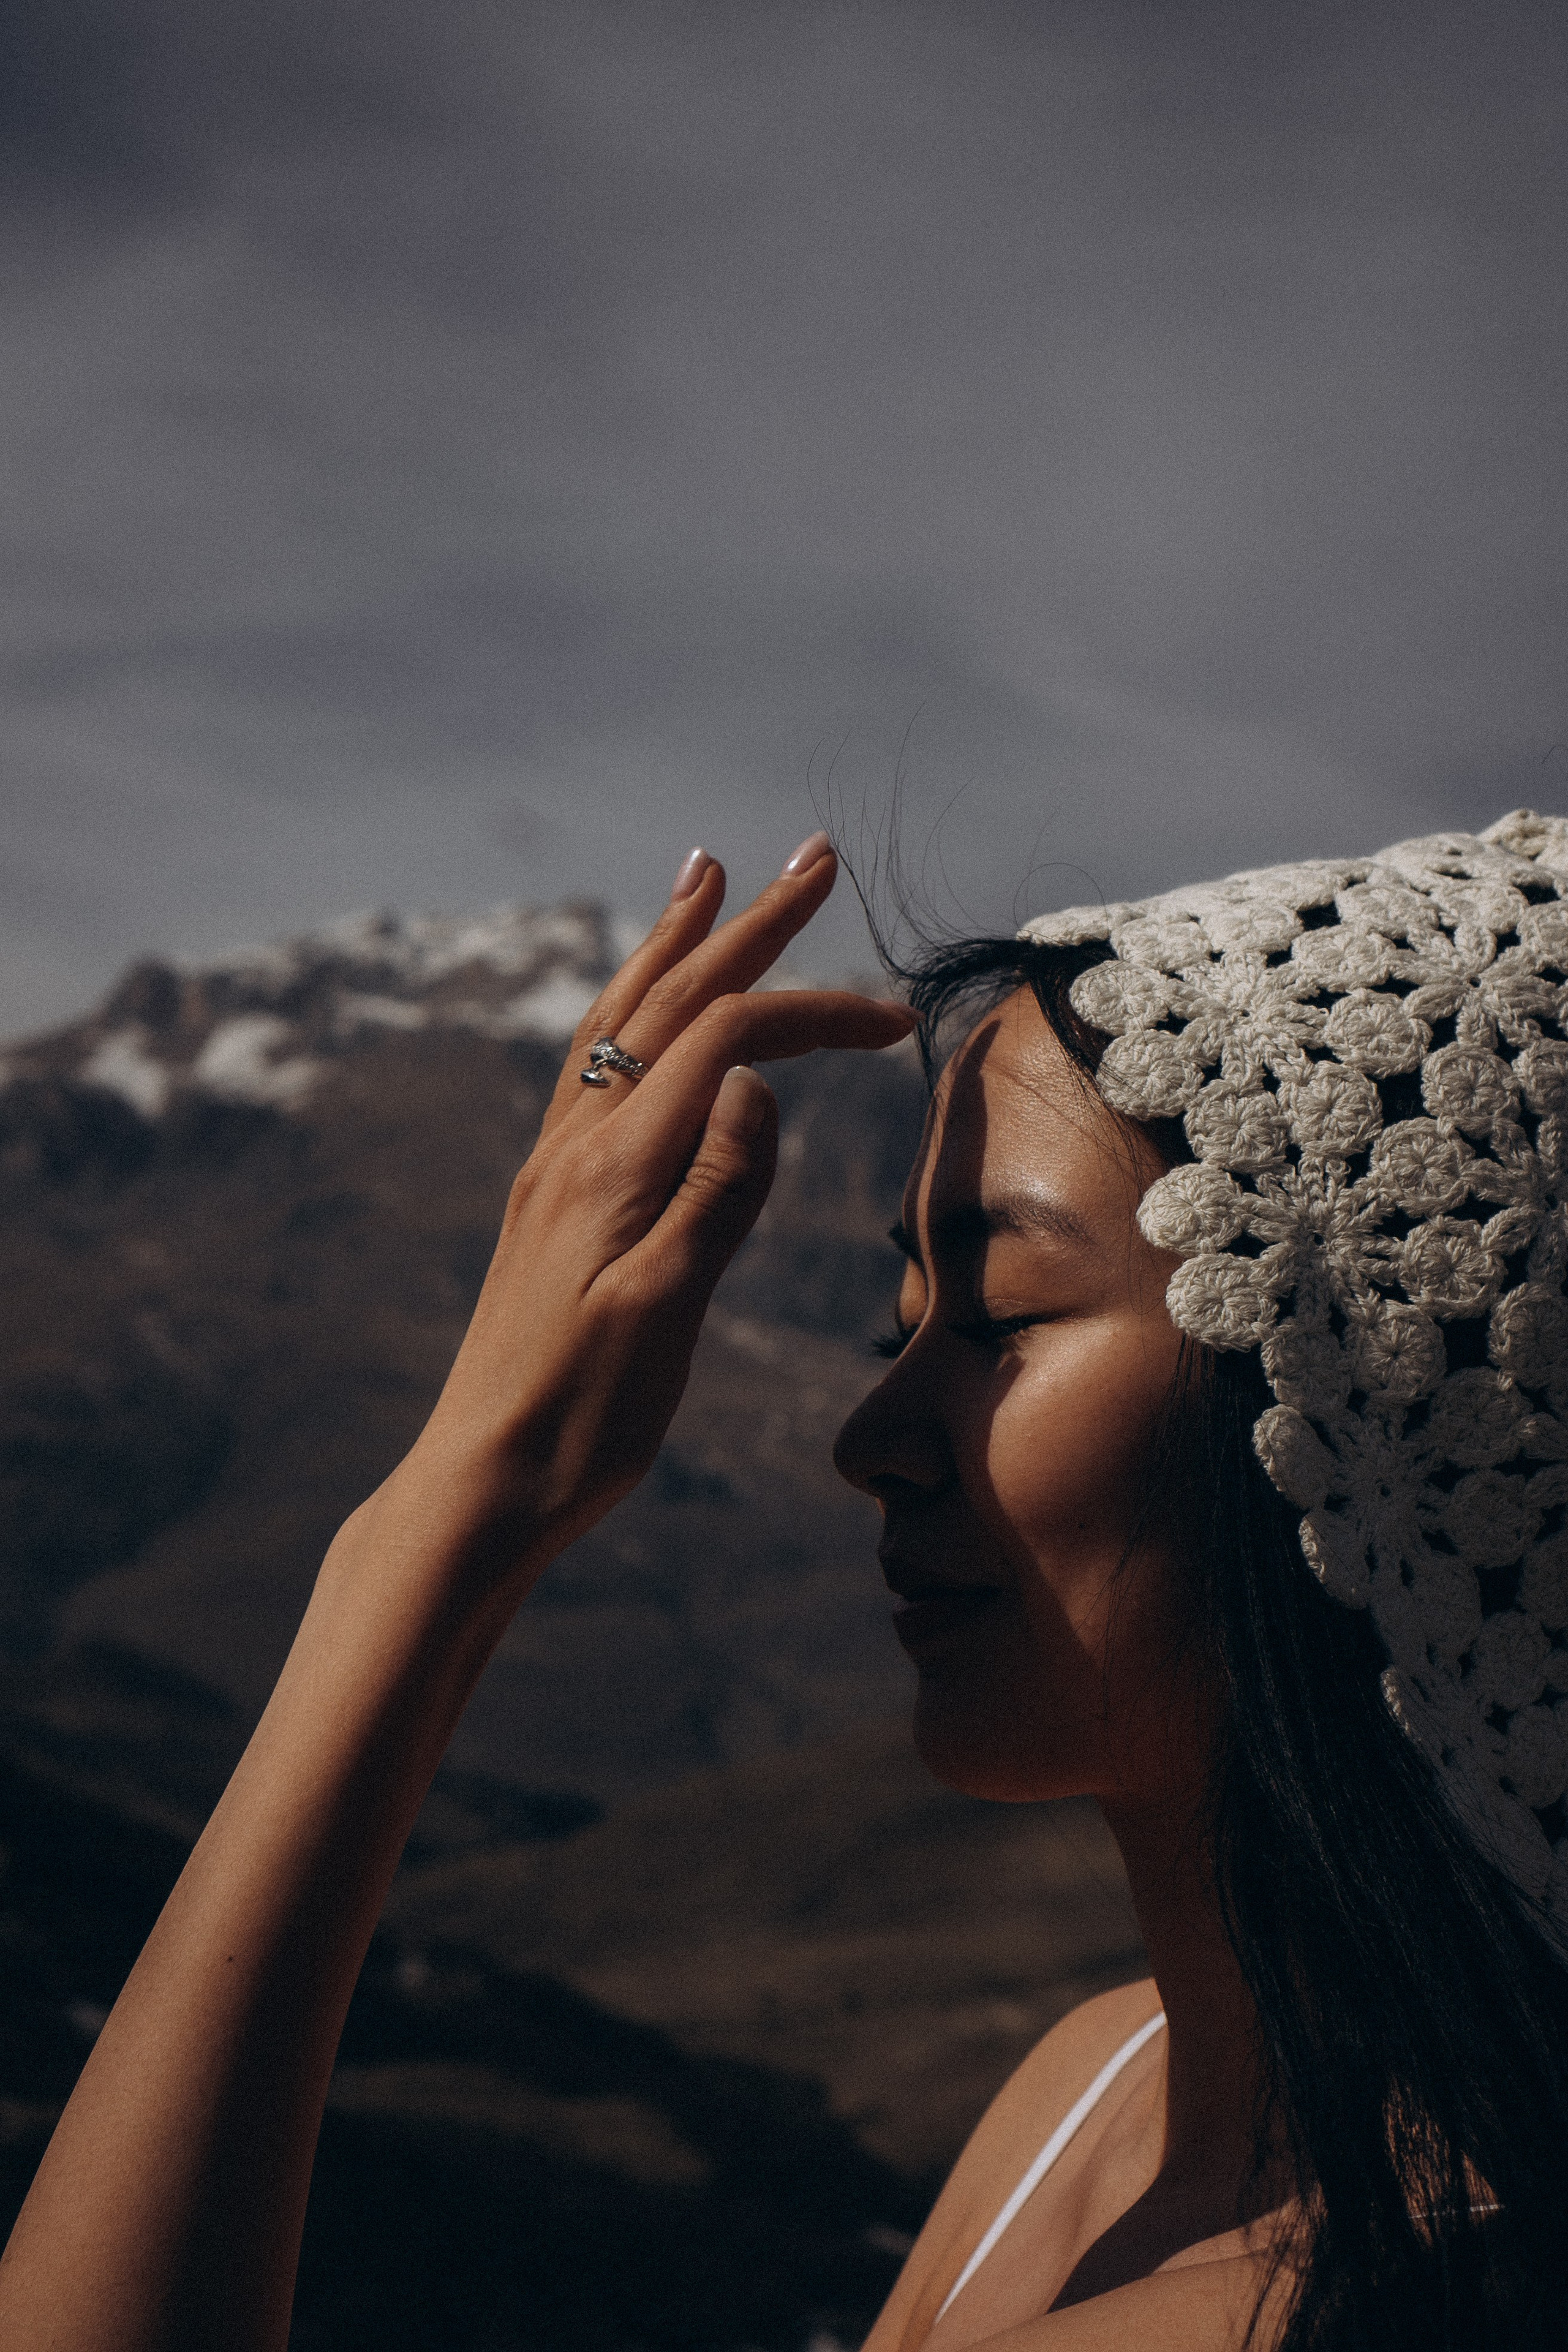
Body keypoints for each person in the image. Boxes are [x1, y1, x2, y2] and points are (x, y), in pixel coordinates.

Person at [2, 813, 1567, 2350]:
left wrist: (445, 1519)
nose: (871, 1435)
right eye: (895, 1325)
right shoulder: (1088, 2090)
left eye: (1001, 1313)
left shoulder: (1352, 2291)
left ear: (1386, 1393)